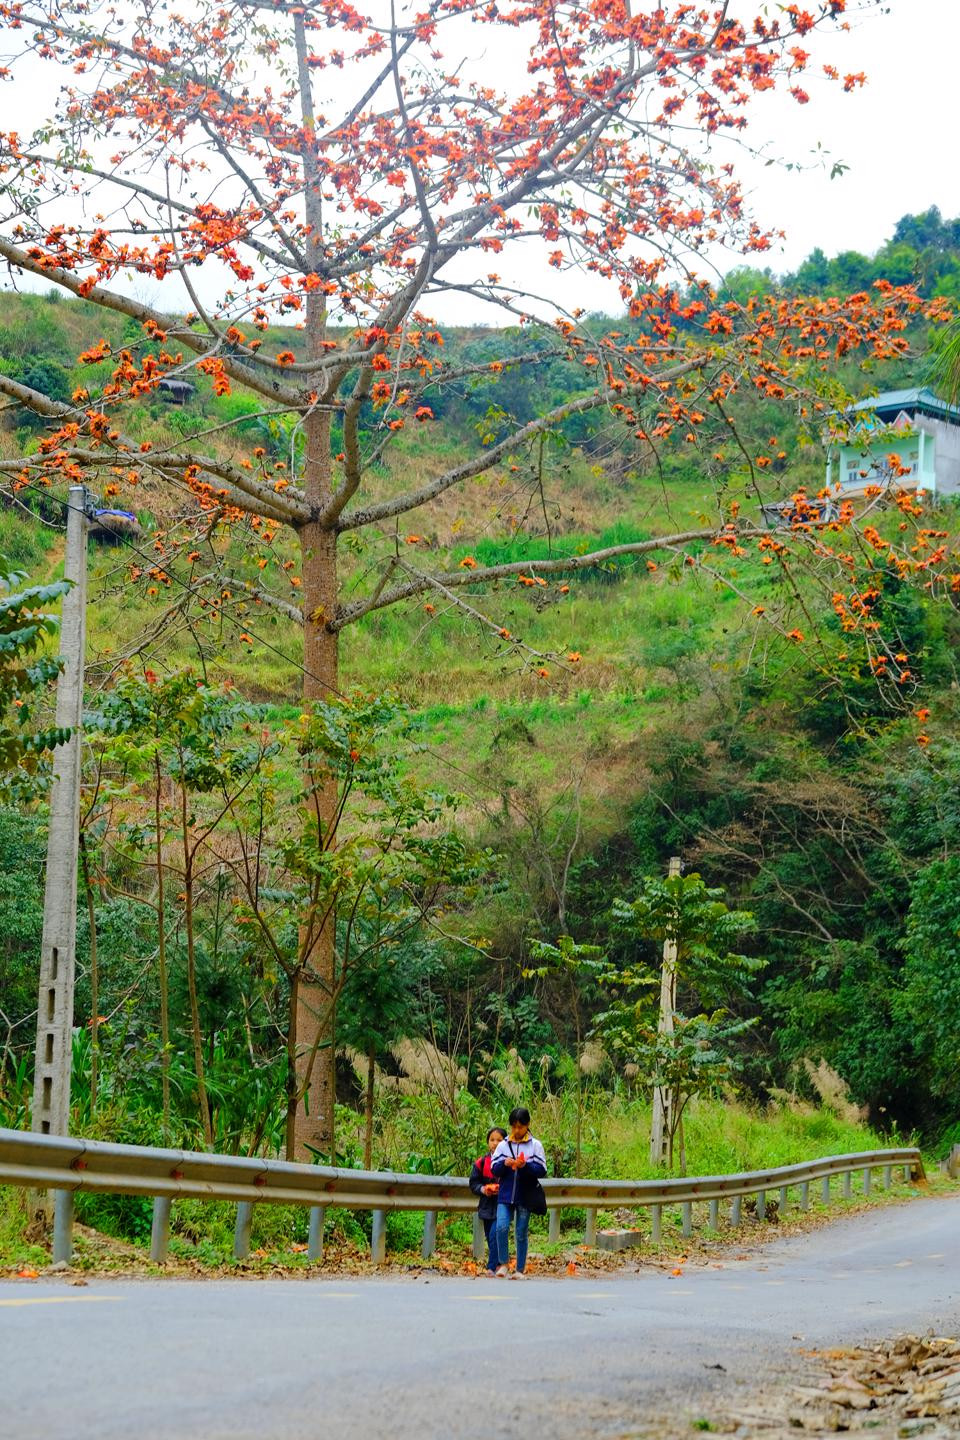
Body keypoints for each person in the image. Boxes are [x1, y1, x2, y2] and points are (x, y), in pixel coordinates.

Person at [490, 1106, 547, 1279]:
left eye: (520, 1127)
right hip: (505, 1195)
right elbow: (494, 1168)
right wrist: (504, 1164)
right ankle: (504, 1264)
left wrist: (526, 1165)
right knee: (501, 1227)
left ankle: (520, 1269)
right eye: (513, 1126)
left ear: (527, 1125)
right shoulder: (503, 1145)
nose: (517, 1130)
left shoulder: (535, 1145)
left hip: (525, 1196)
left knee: (521, 1232)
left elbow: (542, 1170)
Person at [469, 1126, 506, 1276]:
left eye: (499, 1140)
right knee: (490, 1236)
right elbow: (473, 1183)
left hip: (502, 1205)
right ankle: (498, 1264)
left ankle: (491, 1267)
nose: (495, 1143)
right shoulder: (481, 1163)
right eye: (492, 1140)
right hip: (486, 1205)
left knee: (494, 1234)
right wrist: (484, 1189)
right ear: (487, 1142)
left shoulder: (508, 1162)